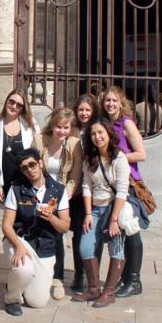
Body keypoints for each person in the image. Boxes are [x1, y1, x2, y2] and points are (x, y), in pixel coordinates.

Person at [2, 148, 70, 316]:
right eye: (24, 168)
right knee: (23, 270)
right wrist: (18, 245)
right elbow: (6, 225)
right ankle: (12, 298)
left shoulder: (58, 190)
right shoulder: (16, 189)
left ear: (40, 163)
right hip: (20, 239)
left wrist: (51, 218)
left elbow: (65, 226)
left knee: (38, 302)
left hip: (45, 246)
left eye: (32, 164)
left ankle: (20, 283)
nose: (29, 170)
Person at [72, 117, 128, 307]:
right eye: (93, 134)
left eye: (100, 132)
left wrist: (114, 219)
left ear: (109, 133)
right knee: (85, 247)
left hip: (114, 208)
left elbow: (122, 190)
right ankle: (94, 289)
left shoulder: (119, 158)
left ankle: (109, 292)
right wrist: (88, 213)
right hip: (95, 209)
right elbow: (87, 186)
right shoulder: (91, 158)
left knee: (116, 248)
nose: (97, 137)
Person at [101, 86, 147, 298]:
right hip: (111, 182)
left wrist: (117, 157)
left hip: (127, 183)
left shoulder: (126, 123)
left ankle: (135, 280)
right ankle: (127, 277)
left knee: (129, 225)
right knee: (121, 227)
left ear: (121, 102)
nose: (110, 104)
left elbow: (141, 154)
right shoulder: (105, 124)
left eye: (114, 100)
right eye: (107, 100)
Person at [36, 108, 83, 300]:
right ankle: (39, 274)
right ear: (52, 125)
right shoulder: (41, 140)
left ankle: (57, 278)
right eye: (58, 127)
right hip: (40, 191)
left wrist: (61, 199)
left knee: (56, 233)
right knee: (39, 232)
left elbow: (75, 175)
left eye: (66, 128)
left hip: (63, 194)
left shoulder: (73, 144)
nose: (62, 131)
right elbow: (33, 166)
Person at [69, 94, 99, 293]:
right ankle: (79, 273)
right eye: (81, 110)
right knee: (77, 233)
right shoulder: (71, 129)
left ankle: (92, 276)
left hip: (93, 188)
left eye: (88, 110)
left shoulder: (97, 129)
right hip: (74, 189)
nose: (84, 113)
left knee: (90, 234)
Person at [0, 89, 40, 203]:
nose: (14, 106)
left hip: (26, 180)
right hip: (5, 180)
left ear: (22, 108)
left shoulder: (30, 124)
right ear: (6, 101)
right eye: (11, 101)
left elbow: (37, 152)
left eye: (19, 105)